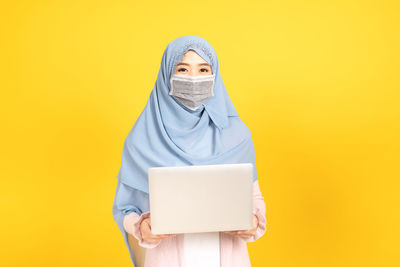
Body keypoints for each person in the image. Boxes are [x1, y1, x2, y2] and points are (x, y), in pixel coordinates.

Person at [112, 35, 267, 267]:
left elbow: (253, 198)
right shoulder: (141, 139)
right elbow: (125, 208)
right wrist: (140, 226)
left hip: (226, 258)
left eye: (204, 70)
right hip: (166, 259)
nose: (194, 77)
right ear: (167, 74)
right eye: (183, 69)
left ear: (215, 75)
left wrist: (254, 222)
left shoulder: (237, 135)